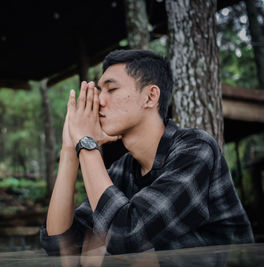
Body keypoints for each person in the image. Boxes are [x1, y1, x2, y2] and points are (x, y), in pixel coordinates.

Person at [40, 50, 254, 256]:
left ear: (150, 97)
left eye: (111, 89)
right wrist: (70, 149)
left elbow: (127, 234)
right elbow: (59, 243)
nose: (99, 101)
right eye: (99, 91)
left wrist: (86, 143)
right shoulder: (124, 169)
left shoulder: (196, 149)